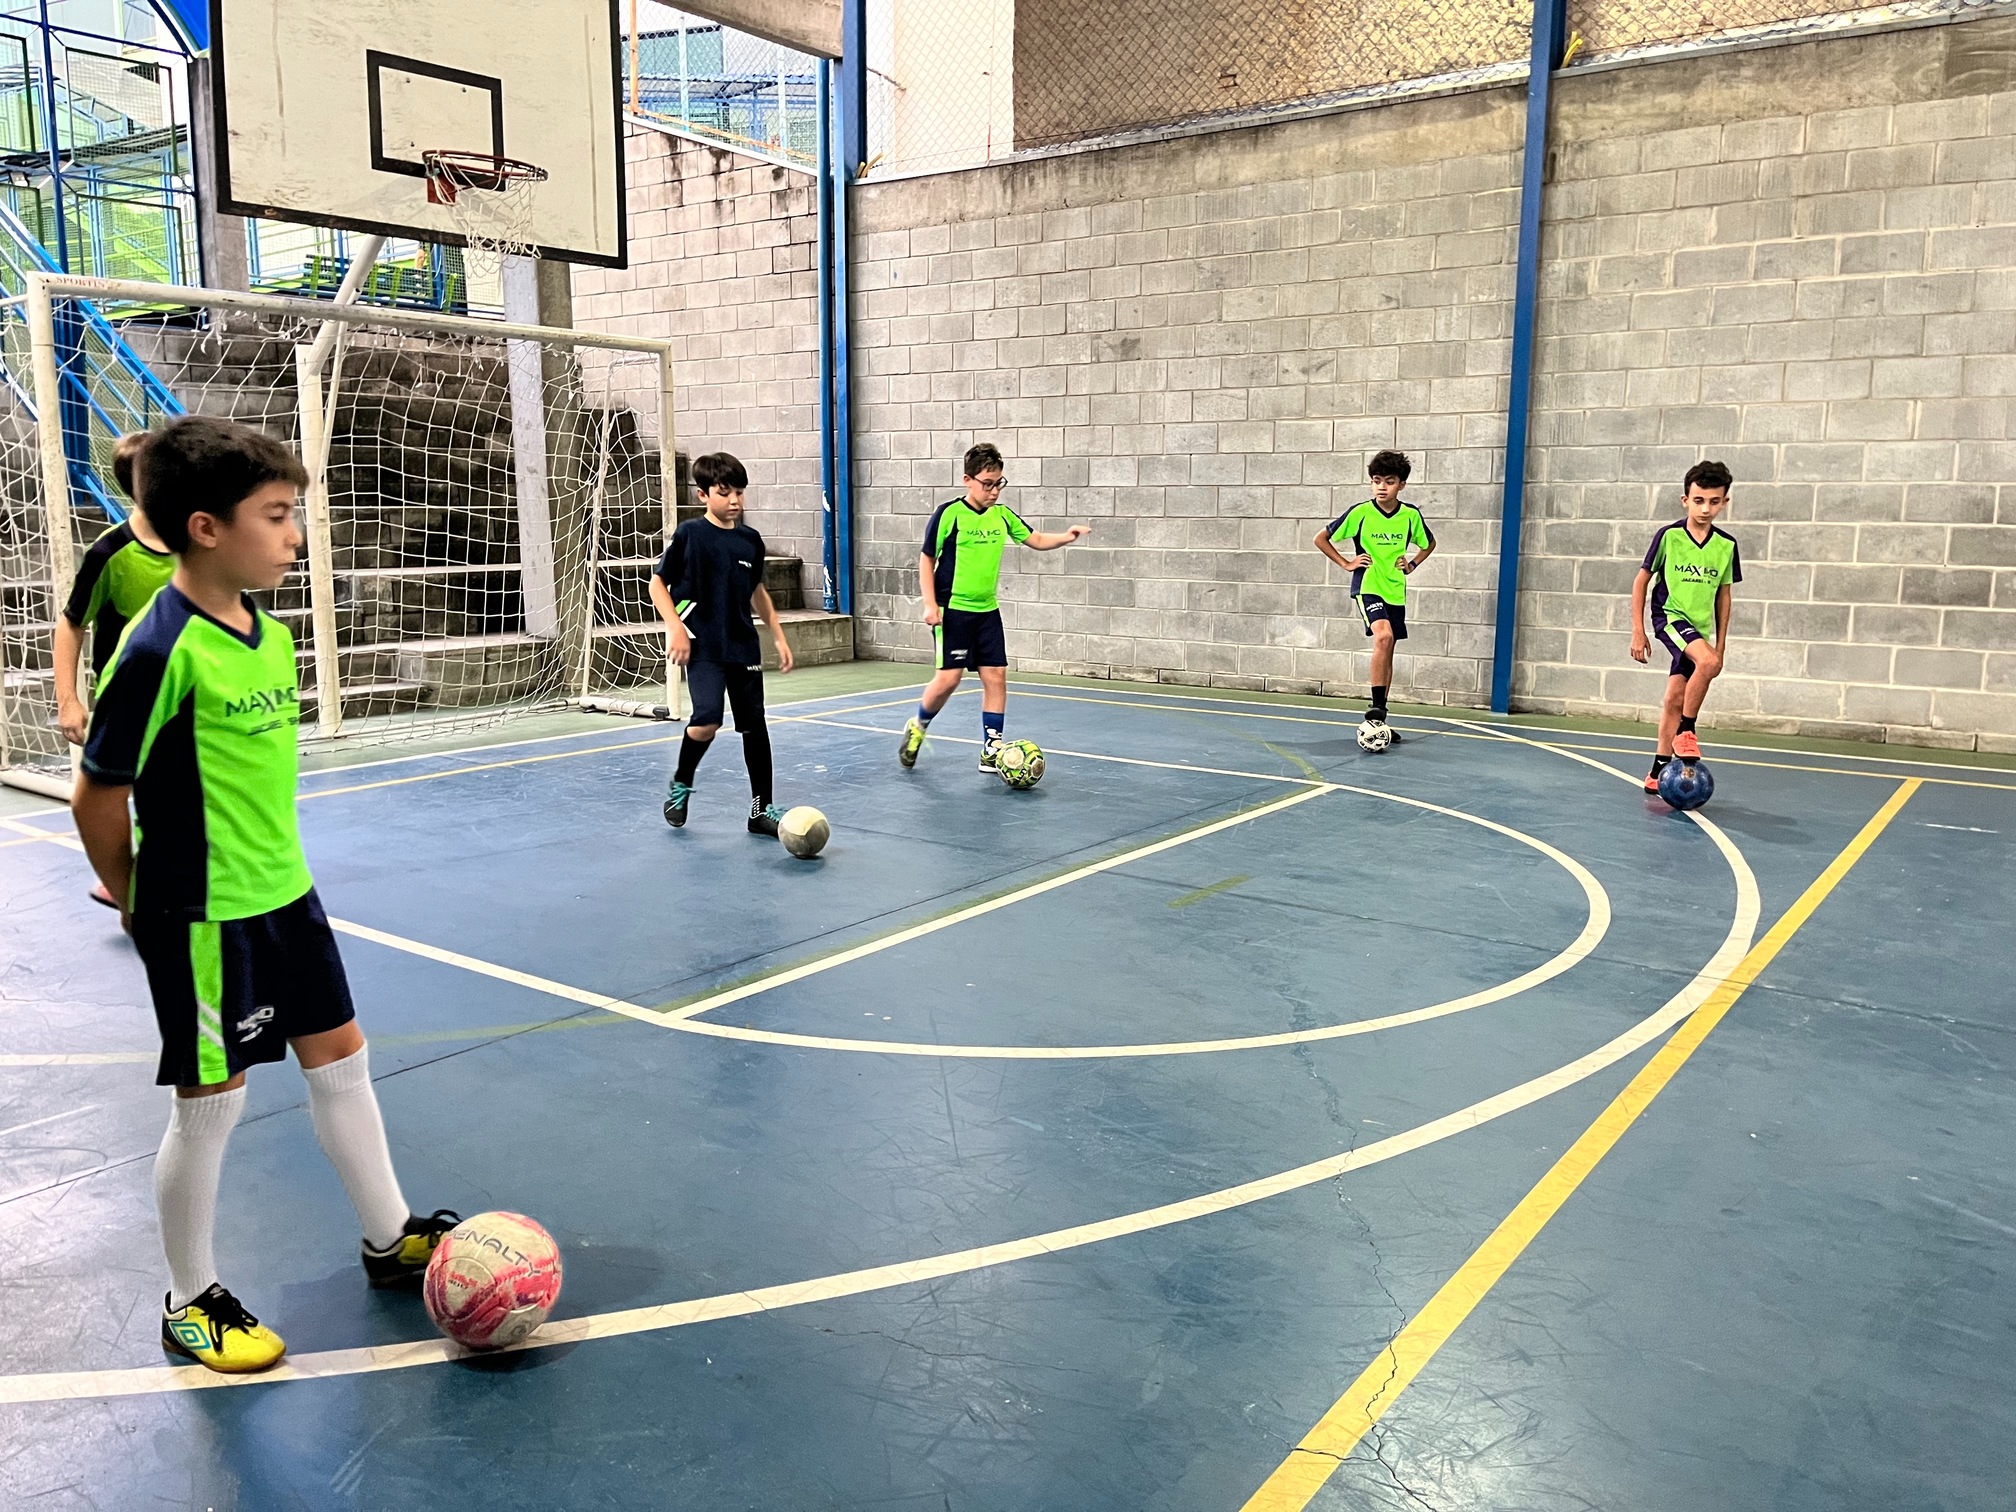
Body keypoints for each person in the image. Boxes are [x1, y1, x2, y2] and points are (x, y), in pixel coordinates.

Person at [71, 416, 456, 1375]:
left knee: (342, 1059)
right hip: (201, 914)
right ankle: (189, 1298)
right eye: (277, 516)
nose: (295, 536)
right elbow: (97, 792)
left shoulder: (269, 635)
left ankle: (388, 1236)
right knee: (213, 1101)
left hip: (286, 894)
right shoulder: (162, 651)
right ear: (207, 528)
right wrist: (132, 895)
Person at [897, 442, 1090, 771]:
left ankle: (991, 747)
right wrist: (930, 604)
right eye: (988, 483)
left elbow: (1036, 539)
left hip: (987, 611)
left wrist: (1067, 536)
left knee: (996, 676)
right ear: (967, 479)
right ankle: (918, 727)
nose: (994, 490)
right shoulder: (949, 514)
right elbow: (926, 558)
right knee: (949, 680)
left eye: (999, 482)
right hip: (952, 609)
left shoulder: (1002, 516)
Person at [54, 432, 174, 909]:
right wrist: (68, 699)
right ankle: (129, 884)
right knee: (151, 794)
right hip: (130, 698)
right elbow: (71, 624)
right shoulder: (109, 554)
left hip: (188, 693)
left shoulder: (198, 540)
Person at [649, 451, 795, 832]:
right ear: (703, 495)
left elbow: (758, 592)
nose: (735, 501)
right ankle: (681, 783)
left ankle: (761, 810)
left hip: (742, 645)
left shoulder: (750, 540)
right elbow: (657, 584)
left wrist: (778, 636)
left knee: (754, 727)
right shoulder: (690, 534)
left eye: (740, 493)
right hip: (704, 645)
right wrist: (676, 628)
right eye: (725, 492)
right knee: (707, 720)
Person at [1630, 460, 1740, 793]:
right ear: (1685, 500)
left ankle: (1657, 770)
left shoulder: (1726, 546)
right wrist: (1639, 630)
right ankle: (1686, 731)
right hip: (1670, 617)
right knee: (1705, 663)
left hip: (1699, 630)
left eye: (1714, 501)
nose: (1706, 508)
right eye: (1698, 500)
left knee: (1673, 698)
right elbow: (1641, 582)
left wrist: (1719, 646)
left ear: (1724, 502)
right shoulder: (1669, 537)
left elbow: (1724, 597)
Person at [1314, 450, 1435, 735]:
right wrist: (1346, 563)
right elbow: (1321, 538)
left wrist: (1413, 563)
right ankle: (1377, 707)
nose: (1382, 486)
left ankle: (1379, 719)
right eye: (1376, 480)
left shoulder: (1410, 515)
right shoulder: (1361, 513)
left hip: (1395, 589)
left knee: (1388, 648)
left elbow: (1429, 543)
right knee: (1384, 636)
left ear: (1401, 485)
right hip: (1368, 585)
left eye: (1389, 481)